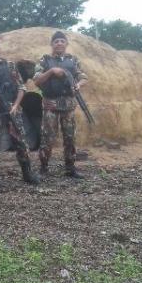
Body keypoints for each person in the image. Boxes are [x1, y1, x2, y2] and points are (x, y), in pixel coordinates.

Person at [0, 36, 39, 187]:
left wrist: (15, 105)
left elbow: (21, 87)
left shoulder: (10, 66)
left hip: (11, 108)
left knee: (21, 141)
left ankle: (27, 172)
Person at [33, 30, 89, 178]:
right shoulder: (44, 60)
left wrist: (78, 85)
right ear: (52, 44)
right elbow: (37, 80)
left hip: (68, 104)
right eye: (56, 41)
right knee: (48, 137)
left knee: (70, 137)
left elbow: (83, 77)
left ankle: (70, 168)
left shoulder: (73, 60)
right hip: (50, 103)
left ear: (66, 44)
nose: (59, 43)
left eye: (62, 41)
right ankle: (43, 169)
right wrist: (51, 71)